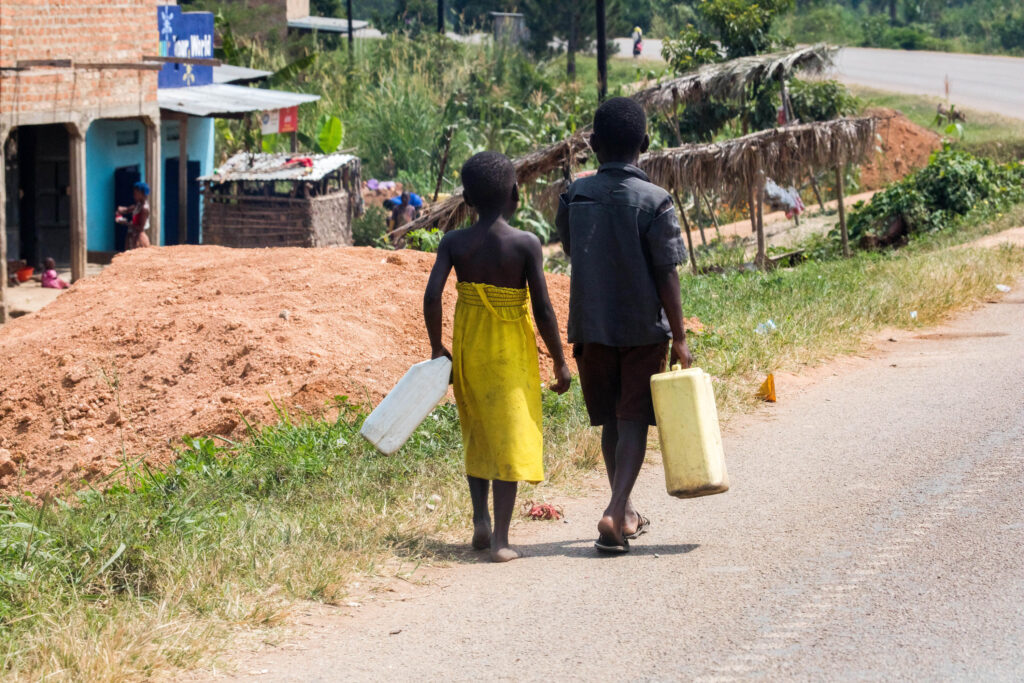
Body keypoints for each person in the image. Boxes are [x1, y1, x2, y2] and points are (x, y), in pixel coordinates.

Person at [555, 97, 693, 554]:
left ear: (593, 144)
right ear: (645, 143)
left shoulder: (575, 196)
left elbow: (572, 247)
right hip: (642, 330)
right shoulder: (656, 201)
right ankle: (615, 512)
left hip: (591, 327)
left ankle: (626, 511)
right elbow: (667, 273)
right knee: (633, 418)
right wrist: (680, 337)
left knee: (612, 420)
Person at [424, 151, 572, 562]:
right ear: (515, 194)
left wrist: (437, 347)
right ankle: (501, 540)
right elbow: (543, 309)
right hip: (511, 354)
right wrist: (559, 360)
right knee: (509, 437)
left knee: (478, 431)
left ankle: (480, 520)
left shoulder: (454, 243)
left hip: (470, 348)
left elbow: (432, 295)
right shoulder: (525, 243)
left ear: (467, 199)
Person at [116, 181, 152, 250]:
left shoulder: (144, 208)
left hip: (139, 239)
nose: (134, 195)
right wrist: (121, 210)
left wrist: (126, 223)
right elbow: (127, 209)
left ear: (142, 193)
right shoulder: (138, 205)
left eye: (136, 193)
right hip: (133, 237)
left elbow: (140, 228)